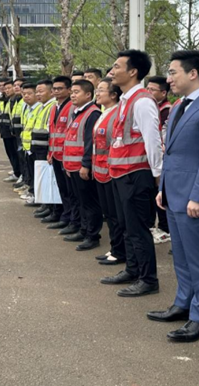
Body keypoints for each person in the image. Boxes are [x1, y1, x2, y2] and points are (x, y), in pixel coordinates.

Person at [147, 50, 199, 343]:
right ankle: (183, 304)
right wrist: (163, 188)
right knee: (182, 257)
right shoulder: (179, 105)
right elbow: (172, 154)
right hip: (174, 194)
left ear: (193, 73)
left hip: (195, 199)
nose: (168, 79)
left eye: (173, 72)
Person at [100, 50, 163, 298]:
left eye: (117, 67)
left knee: (138, 229)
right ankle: (132, 269)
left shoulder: (143, 101)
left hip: (136, 175)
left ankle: (148, 279)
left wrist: (158, 175)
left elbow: (153, 141)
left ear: (133, 71)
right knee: (126, 226)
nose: (112, 71)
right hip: (121, 174)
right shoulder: (126, 100)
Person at [62, 79, 103, 250]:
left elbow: (90, 143)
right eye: (72, 92)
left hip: (82, 167)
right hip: (72, 166)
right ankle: (84, 229)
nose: (72, 95)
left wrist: (86, 165)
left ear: (88, 94)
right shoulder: (77, 112)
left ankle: (93, 236)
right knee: (80, 201)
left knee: (89, 202)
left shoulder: (92, 114)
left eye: (76, 92)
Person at [92, 78, 126, 266]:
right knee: (109, 213)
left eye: (101, 90)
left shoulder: (116, 114)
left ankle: (119, 251)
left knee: (115, 214)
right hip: (100, 170)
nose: (97, 93)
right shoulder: (104, 113)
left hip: (111, 170)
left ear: (113, 95)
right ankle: (115, 247)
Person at [47, 76, 80, 235]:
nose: (56, 91)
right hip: (56, 154)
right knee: (62, 189)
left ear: (68, 90)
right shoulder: (54, 107)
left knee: (71, 192)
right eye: (54, 89)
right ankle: (66, 217)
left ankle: (74, 221)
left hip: (67, 157)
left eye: (60, 88)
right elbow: (53, 132)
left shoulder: (72, 107)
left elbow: (70, 134)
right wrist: (50, 152)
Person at [146, 76, 172, 244]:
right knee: (153, 194)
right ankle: (156, 225)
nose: (148, 92)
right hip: (151, 158)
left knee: (161, 192)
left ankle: (165, 228)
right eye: (147, 89)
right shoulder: (151, 106)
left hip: (162, 158)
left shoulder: (167, 110)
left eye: (152, 90)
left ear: (163, 93)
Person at [32, 80, 59, 222]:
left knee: (50, 180)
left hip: (47, 148)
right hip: (39, 147)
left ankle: (53, 209)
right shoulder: (42, 106)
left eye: (41, 91)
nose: (38, 94)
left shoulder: (52, 106)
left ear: (51, 92)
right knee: (44, 179)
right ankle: (47, 205)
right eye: (37, 91)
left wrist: (50, 151)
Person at [18, 83, 41, 205]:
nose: (26, 96)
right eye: (24, 94)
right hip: (28, 147)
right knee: (32, 173)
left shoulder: (40, 108)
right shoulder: (28, 108)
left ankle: (37, 196)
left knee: (37, 175)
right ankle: (33, 193)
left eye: (29, 93)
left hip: (36, 147)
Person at [0, 80, 21, 183]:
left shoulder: (17, 100)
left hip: (14, 132)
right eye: (5, 88)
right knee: (11, 153)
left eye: (9, 88)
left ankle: (18, 173)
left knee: (16, 154)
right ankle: (16, 171)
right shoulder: (5, 100)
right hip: (6, 130)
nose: (6, 90)